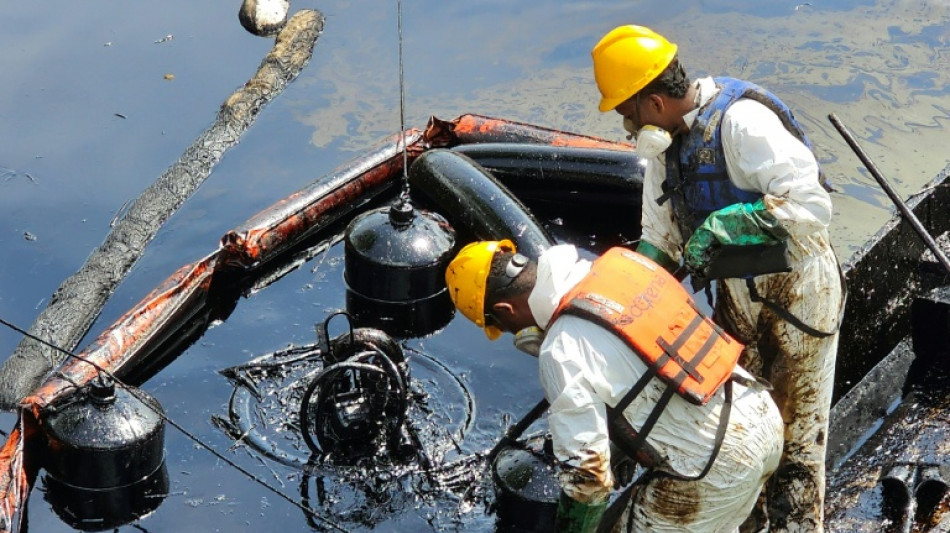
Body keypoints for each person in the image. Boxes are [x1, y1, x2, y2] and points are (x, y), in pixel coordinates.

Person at [590, 25, 845, 532]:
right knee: (744, 433)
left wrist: (729, 222)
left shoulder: (742, 123)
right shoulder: (664, 152)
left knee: (797, 445)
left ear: (655, 101)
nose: (625, 127)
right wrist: (609, 309)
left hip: (798, 294)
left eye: (627, 113)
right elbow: (657, 245)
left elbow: (814, 204)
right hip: (736, 302)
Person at [445, 240, 784, 532]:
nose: (511, 334)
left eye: (501, 326)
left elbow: (588, 482)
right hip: (759, 413)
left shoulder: (561, 350)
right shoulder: (619, 264)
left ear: (505, 309)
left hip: (714, 468)